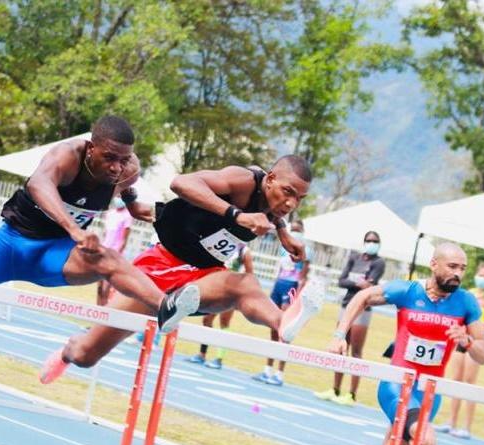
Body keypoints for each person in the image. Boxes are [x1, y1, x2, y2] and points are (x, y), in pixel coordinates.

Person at [0, 115, 198, 335]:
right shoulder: (67, 155)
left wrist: (131, 204)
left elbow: (126, 185)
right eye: (109, 158)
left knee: (107, 258)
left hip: (55, 256)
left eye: (123, 159)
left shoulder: (128, 169)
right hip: (9, 246)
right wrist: (74, 229)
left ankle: (165, 305)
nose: (116, 167)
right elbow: (39, 184)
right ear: (91, 148)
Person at [38, 155, 326, 385]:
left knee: (244, 285)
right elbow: (181, 182)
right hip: (159, 268)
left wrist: (283, 232)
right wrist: (236, 216)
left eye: (299, 198)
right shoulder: (242, 180)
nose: (291, 203)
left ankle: (282, 322)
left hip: (203, 276)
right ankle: (67, 353)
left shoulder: (275, 205)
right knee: (86, 355)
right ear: (270, 179)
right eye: (288, 192)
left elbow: (272, 210)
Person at [309, 242, 484, 445]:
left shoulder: (466, 303)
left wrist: (468, 342)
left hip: (428, 393)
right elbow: (363, 297)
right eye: (452, 267)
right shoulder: (407, 291)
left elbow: (483, 354)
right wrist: (339, 335)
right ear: (434, 264)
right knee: (426, 440)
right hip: (397, 385)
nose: (458, 273)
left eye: (462, 268)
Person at [314, 230, 386, 405]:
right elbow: (341, 280)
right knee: (339, 347)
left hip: (363, 308)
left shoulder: (379, 262)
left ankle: (352, 394)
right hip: (346, 305)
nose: (371, 243)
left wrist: (358, 284)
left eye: (375, 241)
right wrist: (357, 283)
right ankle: (335, 389)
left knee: (356, 351)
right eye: (369, 240)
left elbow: (369, 285)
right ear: (364, 242)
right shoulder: (354, 258)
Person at [437, 262, 484, 438]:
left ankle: (467, 427)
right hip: (462, 339)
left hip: (476, 341)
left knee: (469, 382)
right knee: (456, 380)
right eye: (480, 275)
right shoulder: (469, 293)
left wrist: (475, 322)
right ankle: (451, 421)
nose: (482, 279)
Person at [253, 220, 311, 386]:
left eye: (298, 230)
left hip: (291, 288)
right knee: (273, 326)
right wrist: (274, 287)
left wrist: (298, 295)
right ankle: (267, 369)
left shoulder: (306, 250)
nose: (296, 232)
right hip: (279, 285)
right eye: (294, 229)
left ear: (303, 231)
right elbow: (280, 269)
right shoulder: (284, 247)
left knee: (285, 330)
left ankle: (279, 373)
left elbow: (303, 275)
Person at [186, 245, 254, 369]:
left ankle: (219, 359)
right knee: (207, 320)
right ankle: (202, 354)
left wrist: (240, 292)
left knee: (224, 323)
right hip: (216, 288)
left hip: (231, 292)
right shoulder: (224, 243)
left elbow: (250, 275)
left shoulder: (244, 251)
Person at [96, 196, 134, 306]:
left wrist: (118, 253)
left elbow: (124, 239)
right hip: (104, 249)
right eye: (117, 196)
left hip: (115, 252)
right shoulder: (110, 213)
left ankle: (105, 306)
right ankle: (98, 306)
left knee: (108, 282)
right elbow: (106, 233)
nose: (118, 199)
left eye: (120, 197)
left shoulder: (127, 216)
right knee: (99, 281)